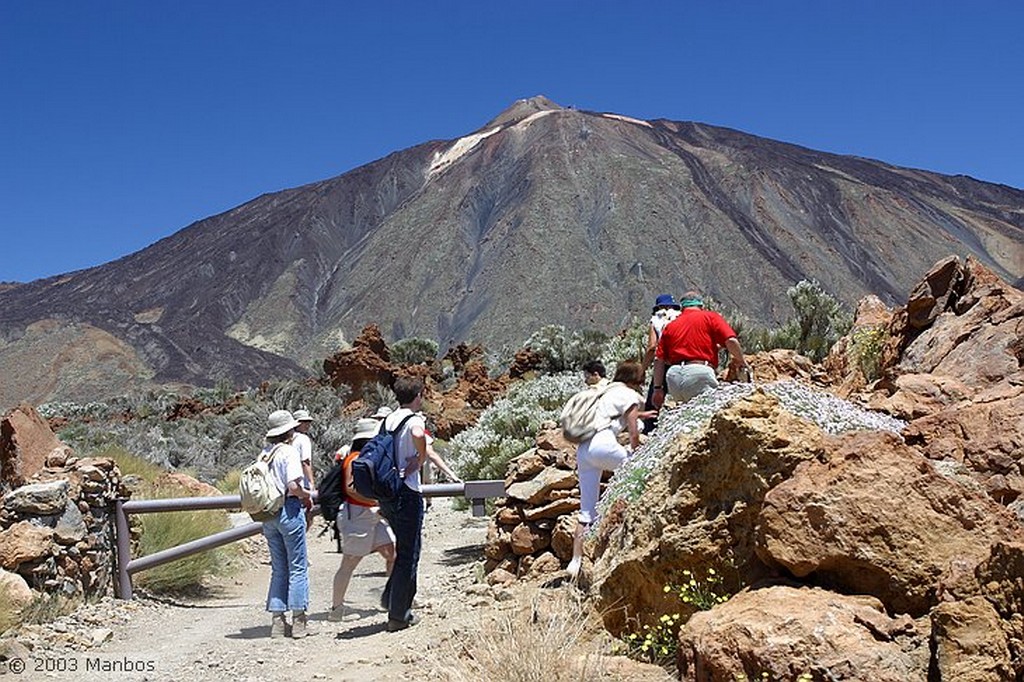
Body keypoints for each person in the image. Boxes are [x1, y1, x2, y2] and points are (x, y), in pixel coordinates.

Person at [566, 360, 645, 579]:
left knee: (587, 510)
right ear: (635, 382)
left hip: (584, 449)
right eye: (640, 382)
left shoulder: (604, 391)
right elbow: (632, 429)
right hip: (603, 444)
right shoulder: (630, 395)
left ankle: (575, 562)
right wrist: (637, 449)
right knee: (641, 471)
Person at [328, 417, 396, 622]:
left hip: (369, 514)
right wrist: (377, 501)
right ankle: (336, 609)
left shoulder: (360, 456)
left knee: (392, 552)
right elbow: (350, 488)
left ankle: (392, 598)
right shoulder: (354, 458)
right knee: (349, 563)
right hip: (357, 515)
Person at [377, 377, 429, 632]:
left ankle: (391, 597)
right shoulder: (414, 420)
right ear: (418, 395)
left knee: (404, 549)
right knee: (410, 553)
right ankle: (398, 614)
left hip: (387, 492)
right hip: (407, 492)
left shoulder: (388, 419)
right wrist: (420, 459)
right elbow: (419, 435)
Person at [261, 409, 313, 638]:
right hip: (288, 511)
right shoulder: (289, 452)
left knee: (278, 568)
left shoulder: (264, 454)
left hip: (268, 515)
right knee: (298, 567)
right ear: (288, 430)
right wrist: (306, 494)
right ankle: (299, 619)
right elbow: (292, 486)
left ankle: (277, 621)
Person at [651, 291, 749, 408]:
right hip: (699, 374)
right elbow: (731, 341)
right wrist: (741, 361)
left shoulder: (671, 326)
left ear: (682, 308)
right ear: (702, 306)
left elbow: (659, 360)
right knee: (708, 414)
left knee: (684, 415)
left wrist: (657, 389)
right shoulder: (710, 317)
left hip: (674, 377)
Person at [642, 294, 681, 432]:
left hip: (664, 362)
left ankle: (649, 430)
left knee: (655, 398)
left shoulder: (656, 320)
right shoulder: (681, 317)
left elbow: (652, 347)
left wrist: (643, 368)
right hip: (683, 361)